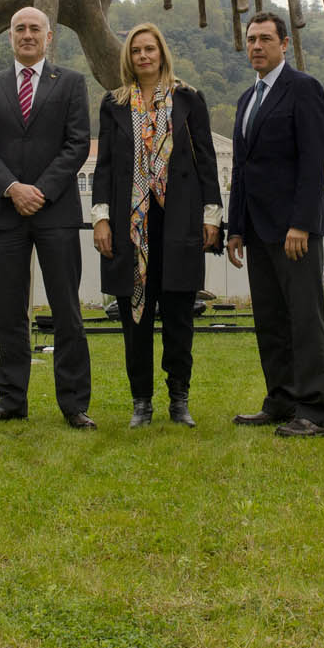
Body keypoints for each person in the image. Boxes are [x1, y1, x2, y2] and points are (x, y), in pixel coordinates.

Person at [0, 6, 95, 428]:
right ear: (10, 36)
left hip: (56, 211)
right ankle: (11, 400)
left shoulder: (71, 83)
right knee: (10, 311)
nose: (27, 34)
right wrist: (12, 188)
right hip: (6, 213)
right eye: (19, 29)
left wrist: (40, 190)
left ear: (48, 36)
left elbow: (77, 144)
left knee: (66, 310)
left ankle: (74, 405)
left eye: (34, 29)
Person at [92, 23, 221, 428]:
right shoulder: (113, 104)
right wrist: (100, 218)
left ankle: (179, 400)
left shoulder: (189, 99)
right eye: (136, 51)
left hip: (178, 222)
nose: (143, 56)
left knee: (180, 317)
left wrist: (211, 215)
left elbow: (206, 159)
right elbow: (104, 166)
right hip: (130, 227)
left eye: (150, 49)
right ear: (128, 58)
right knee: (136, 318)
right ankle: (141, 403)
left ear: (162, 52)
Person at [226, 11, 324, 438]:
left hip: (294, 232)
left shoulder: (303, 89)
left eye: (265, 39)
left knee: (304, 320)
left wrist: (301, 224)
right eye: (251, 39)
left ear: (284, 44)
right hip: (257, 230)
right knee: (270, 320)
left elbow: (313, 161)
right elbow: (241, 169)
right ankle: (280, 400)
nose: (256, 46)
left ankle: (311, 412)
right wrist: (236, 228)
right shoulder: (246, 99)